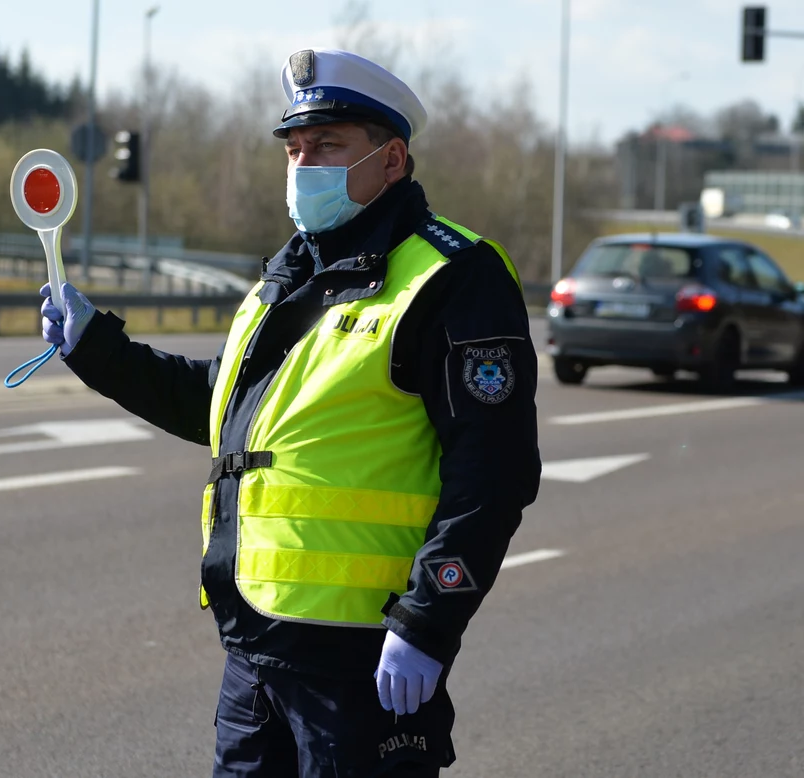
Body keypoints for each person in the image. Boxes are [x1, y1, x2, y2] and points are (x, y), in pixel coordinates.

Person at [39, 48, 541, 778]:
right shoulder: (293, 273)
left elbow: (492, 475)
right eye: (296, 149)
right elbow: (218, 408)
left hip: (361, 660)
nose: (304, 165)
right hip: (254, 648)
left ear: (392, 159)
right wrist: (97, 347)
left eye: (329, 146)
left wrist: (430, 623)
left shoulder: (453, 276)